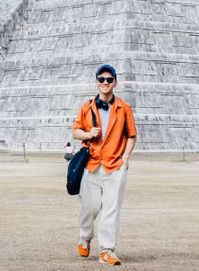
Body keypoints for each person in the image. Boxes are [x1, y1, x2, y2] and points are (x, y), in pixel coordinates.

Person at [71, 64, 137, 266]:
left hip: (115, 165)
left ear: (115, 83)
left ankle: (107, 249)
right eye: (102, 79)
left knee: (111, 209)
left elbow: (131, 135)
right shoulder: (86, 107)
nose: (105, 83)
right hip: (91, 164)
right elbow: (76, 132)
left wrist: (125, 157)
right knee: (88, 208)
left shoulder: (124, 108)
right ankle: (85, 236)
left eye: (109, 79)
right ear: (96, 82)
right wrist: (88, 134)